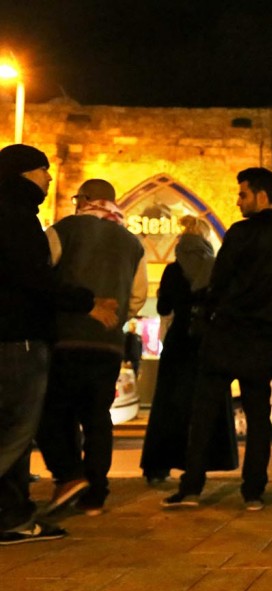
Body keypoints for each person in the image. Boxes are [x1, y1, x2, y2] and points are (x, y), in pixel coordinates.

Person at [163, 168, 272, 511]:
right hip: (262, 337)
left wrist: (209, 310)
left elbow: (219, 279)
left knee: (205, 413)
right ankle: (253, 491)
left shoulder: (240, 234)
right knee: (257, 418)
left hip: (226, 333)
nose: (238, 202)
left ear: (262, 195)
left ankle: (192, 487)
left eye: (243, 194)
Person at [0, 144, 117, 544]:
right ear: (23, 174)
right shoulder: (16, 218)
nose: (49, 179)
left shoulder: (30, 221)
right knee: (17, 431)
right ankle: (14, 515)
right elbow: (33, 276)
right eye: (43, 171)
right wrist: (89, 304)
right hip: (18, 339)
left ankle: (13, 515)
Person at [36, 178, 147, 516]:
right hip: (108, 345)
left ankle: (69, 475)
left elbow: (39, 275)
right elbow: (139, 296)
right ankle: (95, 494)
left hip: (65, 339)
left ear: (83, 199)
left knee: (54, 413)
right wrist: (115, 317)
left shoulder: (62, 231)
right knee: (98, 418)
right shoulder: (132, 243)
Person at [140, 216, 237, 485]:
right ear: (206, 239)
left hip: (179, 342)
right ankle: (203, 462)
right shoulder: (216, 268)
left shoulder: (173, 270)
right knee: (206, 404)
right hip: (207, 343)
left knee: (170, 403)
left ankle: (158, 465)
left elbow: (163, 309)